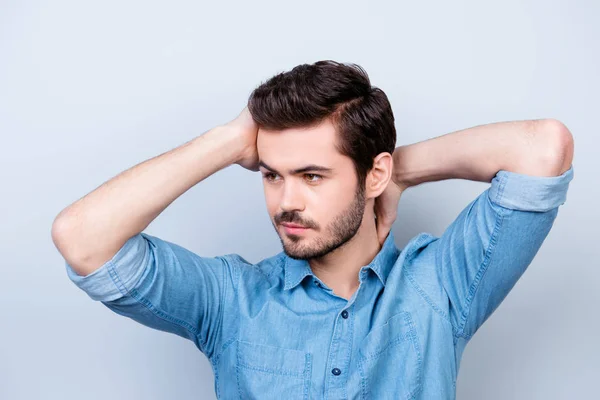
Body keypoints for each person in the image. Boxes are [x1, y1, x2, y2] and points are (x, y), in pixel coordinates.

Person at [51, 60, 574, 399]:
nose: (286, 202)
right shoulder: (231, 300)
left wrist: (402, 173)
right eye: (272, 175)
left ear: (374, 173)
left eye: (312, 176)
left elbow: (544, 148)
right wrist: (228, 142)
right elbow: (82, 239)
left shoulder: (441, 287)